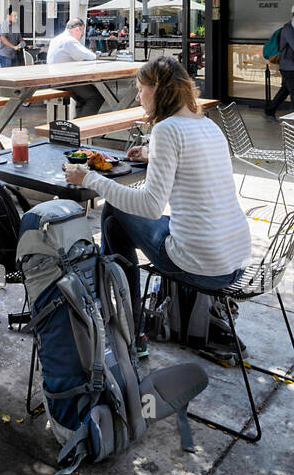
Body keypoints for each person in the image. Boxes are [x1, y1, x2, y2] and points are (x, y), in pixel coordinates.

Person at [65, 56, 251, 359]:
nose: (138, 96)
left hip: (199, 263)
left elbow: (151, 206)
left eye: (141, 89)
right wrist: (152, 155)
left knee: (113, 209)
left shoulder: (167, 130)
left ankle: (127, 325)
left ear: (159, 90)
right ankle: (129, 325)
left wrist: (90, 178)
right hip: (233, 258)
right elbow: (192, 163)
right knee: (114, 223)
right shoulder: (208, 126)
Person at [48, 18, 103, 116]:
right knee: (96, 97)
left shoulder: (57, 39)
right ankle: (82, 126)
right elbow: (90, 56)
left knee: (83, 98)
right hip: (65, 79)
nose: (81, 36)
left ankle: (77, 124)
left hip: (56, 78)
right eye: (81, 32)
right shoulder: (69, 40)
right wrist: (96, 56)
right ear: (77, 29)